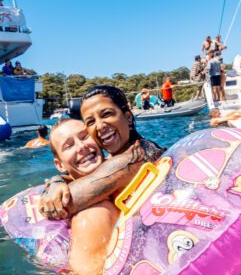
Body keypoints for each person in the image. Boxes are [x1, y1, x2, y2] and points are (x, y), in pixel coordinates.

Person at [39, 85, 164, 222]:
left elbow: (64, 203)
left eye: (106, 114)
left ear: (128, 117)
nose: (100, 126)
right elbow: (95, 175)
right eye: (91, 121)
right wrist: (56, 180)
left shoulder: (135, 157)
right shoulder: (117, 157)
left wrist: (50, 194)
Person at [47, 119, 117, 275]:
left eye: (85, 136)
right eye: (69, 145)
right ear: (59, 164)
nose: (81, 146)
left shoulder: (128, 164)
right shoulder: (91, 216)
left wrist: (57, 180)